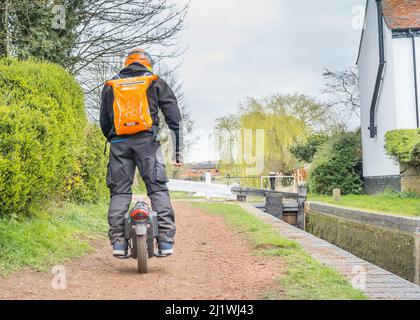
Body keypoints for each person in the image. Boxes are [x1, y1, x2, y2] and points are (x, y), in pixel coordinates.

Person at [100, 48, 183, 258]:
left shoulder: (111, 84)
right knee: (157, 189)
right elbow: (174, 117)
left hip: (120, 143)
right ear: (148, 63)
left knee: (119, 192)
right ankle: (165, 241)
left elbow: (104, 122)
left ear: (127, 63)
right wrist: (178, 150)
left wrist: (115, 139)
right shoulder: (154, 80)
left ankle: (119, 243)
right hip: (148, 142)